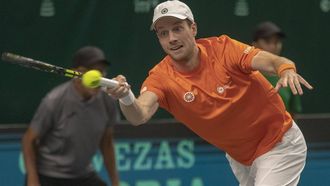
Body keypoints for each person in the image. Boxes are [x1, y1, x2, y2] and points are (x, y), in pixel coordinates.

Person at [108, 1, 313, 185]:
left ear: (193, 28)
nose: (171, 38)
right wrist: (126, 97)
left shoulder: (223, 49)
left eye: (177, 29)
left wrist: (286, 70)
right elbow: (139, 115)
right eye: (163, 33)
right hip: (240, 156)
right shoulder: (160, 77)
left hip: (279, 142)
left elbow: (274, 61)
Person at [22, 46, 120, 186]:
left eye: (102, 72)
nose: (101, 77)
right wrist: (32, 180)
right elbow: (28, 140)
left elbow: (107, 142)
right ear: (78, 73)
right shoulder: (53, 101)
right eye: (95, 72)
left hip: (83, 175)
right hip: (49, 175)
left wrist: (115, 183)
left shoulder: (108, 100)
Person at [252, 21, 302, 118]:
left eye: (277, 42)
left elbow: (293, 115)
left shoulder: (289, 75)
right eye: (267, 42)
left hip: (282, 132)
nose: (274, 46)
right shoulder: (244, 75)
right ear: (255, 45)